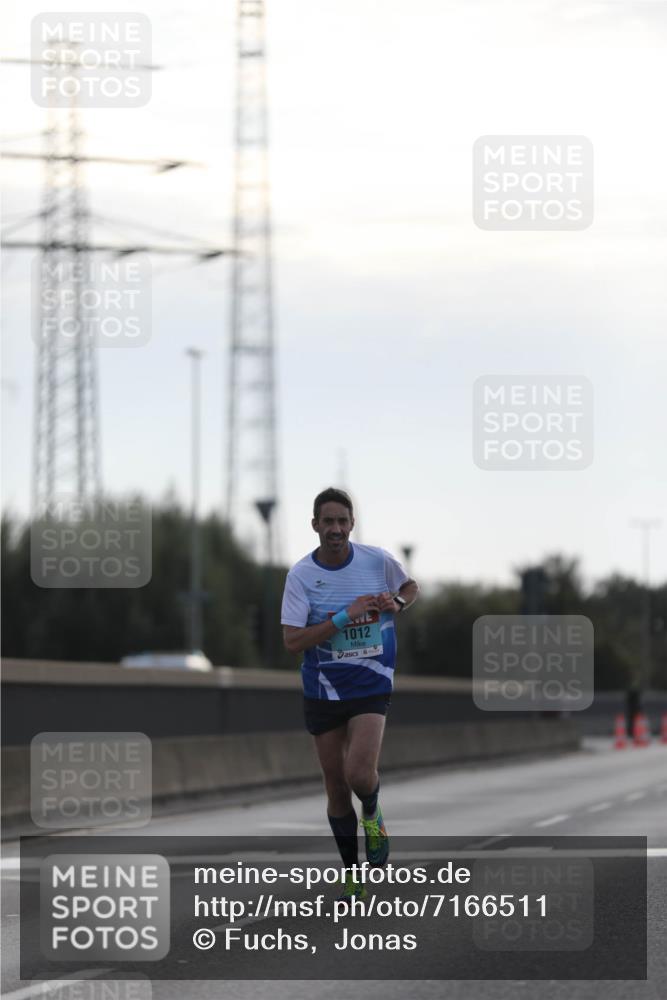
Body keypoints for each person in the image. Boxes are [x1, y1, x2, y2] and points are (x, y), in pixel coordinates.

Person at [280, 487, 419, 902]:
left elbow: (411, 587)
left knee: (360, 774)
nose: (336, 529)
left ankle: (372, 814)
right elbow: (292, 641)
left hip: (372, 682)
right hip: (323, 688)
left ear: (352, 524)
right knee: (337, 787)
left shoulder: (378, 559)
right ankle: (351, 872)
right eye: (328, 522)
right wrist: (344, 616)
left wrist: (395, 601)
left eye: (342, 521)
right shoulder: (301, 576)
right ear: (315, 526)